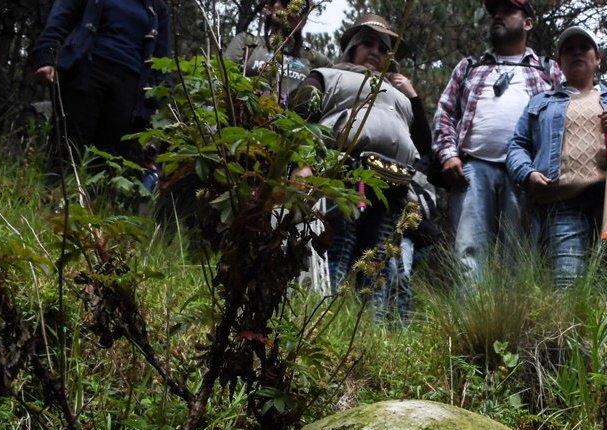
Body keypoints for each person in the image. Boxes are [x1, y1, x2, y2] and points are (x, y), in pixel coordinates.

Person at [293, 13, 431, 323]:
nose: (376, 52)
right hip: (342, 173)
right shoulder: (327, 75)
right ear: (352, 47)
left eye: (384, 49)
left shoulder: (401, 96)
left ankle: (370, 333)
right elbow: (299, 113)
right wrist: (301, 162)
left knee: (377, 262)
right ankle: (327, 323)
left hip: (391, 185)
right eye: (368, 44)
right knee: (340, 247)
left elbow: (424, 141)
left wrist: (413, 95)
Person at [432, 0, 562, 281]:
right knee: (468, 250)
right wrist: (449, 154)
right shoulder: (469, 67)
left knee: (520, 255)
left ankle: (514, 322)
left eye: (507, 10)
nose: (498, 16)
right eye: (495, 12)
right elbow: (444, 113)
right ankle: (468, 322)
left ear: (527, 22)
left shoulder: (548, 71)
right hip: (473, 169)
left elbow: (566, 119)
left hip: (527, 173)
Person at [506, 26, 607, 289]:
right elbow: (517, 145)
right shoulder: (541, 102)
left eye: (583, 47)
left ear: (597, 57)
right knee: (568, 284)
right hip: (562, 201)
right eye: (568, 49)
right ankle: (569, 332)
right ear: (559, 62)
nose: (576, 52)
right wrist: (527, 173)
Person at [31, 0, 171, 175]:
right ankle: (54, 198)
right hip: (86, 71)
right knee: (68, 149)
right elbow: (61, 16)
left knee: (109, 163)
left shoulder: (156, 7)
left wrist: (156, 100)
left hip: (130, 88)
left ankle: (94, 201)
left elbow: (163, 57)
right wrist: (46, 55)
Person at [223, 0, 330, 106]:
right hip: (247, 117)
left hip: (292, 120)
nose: (291, 10)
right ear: (269, 9)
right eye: (286, 2)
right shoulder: (246, 43)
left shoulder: (314, 59)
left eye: (302, 9)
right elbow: (223, 78)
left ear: (304, 21)